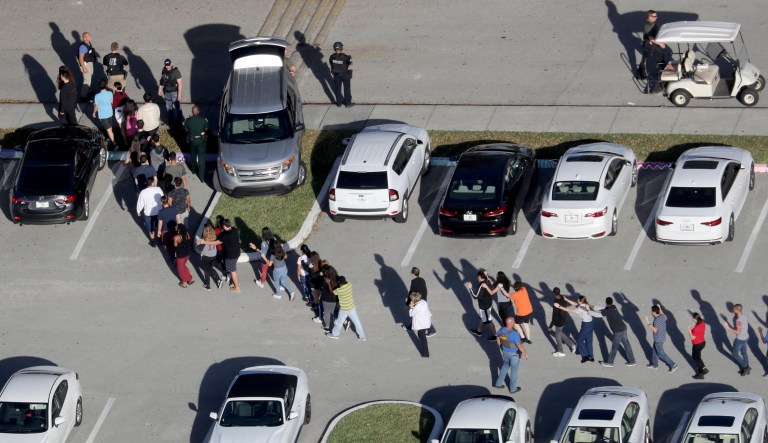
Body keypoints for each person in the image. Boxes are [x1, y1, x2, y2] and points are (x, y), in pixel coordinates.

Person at [198, 219, 241, 293]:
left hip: (231, 256)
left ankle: (237, 287)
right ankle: (236, 283)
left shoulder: (225, 235)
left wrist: (204, 241)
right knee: (233, 269)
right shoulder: (234, 229)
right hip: (237, 253)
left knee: (232, 271)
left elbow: (216, 242)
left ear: (224, 226)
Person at [556, 295, 601, 363]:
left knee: (579, 340)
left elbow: (571, 310)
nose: (577, 300)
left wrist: (560, 307)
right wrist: (566, 299)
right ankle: (591, 357)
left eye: (578, 299)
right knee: (589, 340)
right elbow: (574, 304)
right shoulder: (585, 304)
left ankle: (586, 356)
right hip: (591, 323)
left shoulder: (580, 308)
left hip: (586, 325)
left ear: (580, 301)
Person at [594, 297, 637, 367]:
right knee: (627, 345)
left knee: (614, 347)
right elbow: (603, 309)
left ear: (606, 303)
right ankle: (632, 361)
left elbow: (598, 314)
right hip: (623, 328)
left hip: (618, 332)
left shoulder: (608, 311)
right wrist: (593, 306)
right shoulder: (614, 307)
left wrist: (588, 311)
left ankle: (610, 363)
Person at [494, 317, 528, 394]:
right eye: (513, 322)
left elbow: (498, 338)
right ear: (511, 323)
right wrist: (525, 353)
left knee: (505, 367)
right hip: (514, 355)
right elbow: (519, 346)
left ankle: (498, 383)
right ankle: (513, 389)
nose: (514, 322)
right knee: (514, 371)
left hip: (505, 352)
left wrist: (501, 346)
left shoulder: (501, 330)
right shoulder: (514, 334)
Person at [326, 276, 366, 341]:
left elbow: (332, 292)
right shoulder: (349, 285)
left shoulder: (339, 290)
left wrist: (328, 283)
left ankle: (335, 334)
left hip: (344, 309)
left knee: (339, 322)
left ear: (339, 282)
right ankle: (362, 336)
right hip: (352, 307)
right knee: (357, 322)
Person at [637, 10, 667, 92]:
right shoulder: (648, 25)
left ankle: (666, 69)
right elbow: (651, 38)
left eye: (656, 16)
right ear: (649, 16)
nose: (656, 17)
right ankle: (641, 74)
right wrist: (660, 43)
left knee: (660, 56)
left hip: (655, 43)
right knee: (646, 60)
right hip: (649, 45)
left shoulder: (653, 22)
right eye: (654, 16)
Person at [401, 267, 437, 337]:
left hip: (417, 300)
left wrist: (408, 304)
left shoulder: (414, 282)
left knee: (419, 315)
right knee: (420, 314)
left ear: (412, 274)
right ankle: (410, 327)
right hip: (423, 300)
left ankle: (431, 330)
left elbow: (411, 294)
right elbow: (425, 289)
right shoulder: (422, 280)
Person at [644, 304, 678, 372]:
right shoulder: (661, 316)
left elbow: (655, 330)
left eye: (651, 311)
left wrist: (648, 322)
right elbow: (666, 317)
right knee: (654, 351)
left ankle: (673, 365)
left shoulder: (656, 321)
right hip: (662, 337)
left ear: (654, 312)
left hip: (658, 339)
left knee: (661, 353)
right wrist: (660, 308)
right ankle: (655, 365)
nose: (651, 312)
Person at [466, 270, 498, 341]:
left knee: (489, 321)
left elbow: (475, 296)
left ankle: (496, 336)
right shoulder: (488, 281)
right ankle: (478, 331)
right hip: (488, 303)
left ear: (480, 277)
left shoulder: (482, 285)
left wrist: (470, 288)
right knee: (482, 317)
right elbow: (492, 282)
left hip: (484, 306)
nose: (477, 278)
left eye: (478, 277)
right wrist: (487, 276)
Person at [723, 304, 751, 376]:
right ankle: (746, 368)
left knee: (735, 354)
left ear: (737, 310)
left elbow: (738, 332)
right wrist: (735, 315)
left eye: (734, 309)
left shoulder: (738, 320)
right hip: (746, 337)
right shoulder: (744, 316)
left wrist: (727, 327)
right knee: (744, 352)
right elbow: (741, 322)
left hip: (740, 340)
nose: (732, 309)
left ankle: (746, 367)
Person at [135, 176, 164, 246]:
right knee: (159, 226)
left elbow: (140, 203)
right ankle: (160, 239)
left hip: (148, 215)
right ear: (153, 183)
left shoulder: (143, 192)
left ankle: (153, 242)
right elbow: (162, 199)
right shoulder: (158, 189)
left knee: (151, 229)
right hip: (158, 212)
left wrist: (138, 211)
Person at [548, 287, 576, 357]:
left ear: (554, 294)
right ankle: (572, 344)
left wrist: (550, 326)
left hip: (559, 321)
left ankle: (561, 352)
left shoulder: (555, 303)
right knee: (560, 333)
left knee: (557, 336)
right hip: (564, 319)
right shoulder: (562, 297)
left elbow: (554, 316)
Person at [184, 105, 208, 181]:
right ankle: (202, 178)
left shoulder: (188, 120)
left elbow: (186, 129)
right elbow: (206, 128)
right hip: (201, 141)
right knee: (201, 159)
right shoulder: (203, 120)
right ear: (198, 111)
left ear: (192, 112)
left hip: (192, 141)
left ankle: (193, 170)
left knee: (193, 156)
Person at [158, 59, 183, 127]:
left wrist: (179, 95)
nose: (167, 66)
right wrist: (160, 89)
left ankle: (179, 123)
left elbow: (180, 83)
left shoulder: (176, 71)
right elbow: (162, 81)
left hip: (175, 93)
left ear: (171, 63)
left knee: (178, 108)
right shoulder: (164, 70)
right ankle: (170, 121)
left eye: (169, 65)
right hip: (167, 92)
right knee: (168, 108)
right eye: (166, 65)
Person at [198, 224, 223, 291]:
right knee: (209, 268)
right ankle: (212, 283)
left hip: (206, 256)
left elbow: (199, 248)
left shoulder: (204, 238)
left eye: (203, 229)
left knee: (207, 270)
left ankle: (210, 283)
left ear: (205, 231)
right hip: (213, 255)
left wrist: (198, 243)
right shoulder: (214, 236)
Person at [329, 41, 353, 107]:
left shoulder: (332, 57)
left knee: (337, 90)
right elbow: (350, 63)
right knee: (347, 89)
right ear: (341, 48)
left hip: (336, 75)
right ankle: (348, 103)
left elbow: (331, 64)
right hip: (345, 75)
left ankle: (339, 103)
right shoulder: (345, 57)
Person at [92, 79, 115, 147]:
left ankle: (114, 144)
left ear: (99, 86)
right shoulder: (110, 93)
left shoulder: (97, 96)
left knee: (109, 130)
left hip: (103, 115)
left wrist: (94, 112)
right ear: (106, 85)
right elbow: (112, 102)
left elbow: (96, 106)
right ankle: (110, 138)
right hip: (110, 112)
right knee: (110, 128)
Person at [408, 292, 431, 357]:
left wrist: (411, 307)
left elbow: (411, 314)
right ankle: (425, 350)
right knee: (420, 335)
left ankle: (426, 353)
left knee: (422, 337)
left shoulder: (417, 307)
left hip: (421, 324)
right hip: (426, 321)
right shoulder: (423, 302)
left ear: (414, 300)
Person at [320, 261, 339, 331]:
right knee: (335, 311)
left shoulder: (325, 280)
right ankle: (339, 321)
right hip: (335, 299)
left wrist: (322, 277)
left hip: (326, 299)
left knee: (327, 313)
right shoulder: (337, 278)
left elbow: (321, 286)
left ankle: (328, 326)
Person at [173, 224, 194, 288]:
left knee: (180, 269)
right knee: (184, 266)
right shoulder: (187, 234)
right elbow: (189, 241)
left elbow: (175, 246)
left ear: (179, 229)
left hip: (180, 255)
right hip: (187, 254)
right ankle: (190, 279)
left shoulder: (176, 237)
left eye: (176, 228)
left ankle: (184, 283)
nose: (176, 229)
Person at [76, 32, 95, 101]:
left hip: (89, 62)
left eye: (90, 35)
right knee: (87, 80)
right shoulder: (83, 47)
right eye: (88, 36)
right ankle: (83, 96)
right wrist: (84, 68)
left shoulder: (88, 43)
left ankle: (88, 91)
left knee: (90, 77)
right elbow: (81, 59)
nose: (90, 37)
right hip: (85, 64)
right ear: (84, 38)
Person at [689, 313, 708, 379]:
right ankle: (704, 369)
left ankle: (700, 374)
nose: (692, 319)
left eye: (692, 318)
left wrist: (689, 330)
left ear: (695, 319)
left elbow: (692, 338)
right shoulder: (702, 323)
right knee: (698, 357)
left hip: (697, 344)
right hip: (702, 343)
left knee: (696, 358)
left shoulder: (696, 328)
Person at [308, 251, 324, 323]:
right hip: (321, 285)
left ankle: (318, 315)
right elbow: (320, 274)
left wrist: (310, 268)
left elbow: (313, 276)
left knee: (317, 301)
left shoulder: (311, 266)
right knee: (319, 300)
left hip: (315, 286)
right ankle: (317, 309)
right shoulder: (321, 263)